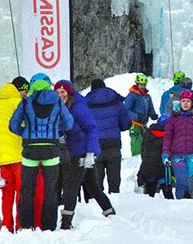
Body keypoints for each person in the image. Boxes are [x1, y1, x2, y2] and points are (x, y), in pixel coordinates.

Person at [9, 73, 72, 231]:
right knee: (51, 189)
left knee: (27, 189)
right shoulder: (57, 100)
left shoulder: (25, 102)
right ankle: (49, 227)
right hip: (51, 147)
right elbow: (69, 123)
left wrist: (26, 131)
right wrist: (54, 128)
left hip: (30, 148)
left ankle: (26, 226)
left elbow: (13, 125)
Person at [54, 80, 115, 229]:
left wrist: (90, 152)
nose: (61, 95)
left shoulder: (78, 107)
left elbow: (92, 128)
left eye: (63, 92)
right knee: (93, 187)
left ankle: (66, 223)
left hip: (81, 153)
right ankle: (111, 213)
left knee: (70, 187)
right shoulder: (62, 108)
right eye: (58, 92)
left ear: (69, 93)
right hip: (74, 151)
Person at [0, 76, 33, 232]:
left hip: (3, 158)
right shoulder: (20, 103)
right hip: (20, 157)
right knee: (21, 192)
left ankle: (7, 226)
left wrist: (0, 144)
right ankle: (20, 225)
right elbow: (26, 126)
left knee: (7, 194)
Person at [85, 78, 130, 194]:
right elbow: (126, 123)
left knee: (97, 178)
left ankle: (98, 204)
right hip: (113, 143)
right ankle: (115, 197)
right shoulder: (116, 100)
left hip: (96, 144)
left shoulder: (86, 103)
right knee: (114, 176)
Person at [163, 90, 193, 199]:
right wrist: (165, 154)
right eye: (183, 101)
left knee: (192, 180)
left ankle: (191, 205)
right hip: (177, 155)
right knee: (181, 180)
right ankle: (180, 203)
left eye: (188, 101)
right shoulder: (173, 118)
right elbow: (167, 138)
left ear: (192, 103)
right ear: (180, 102)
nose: (185, 103)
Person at [137, 117, 173, 199]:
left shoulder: (147, 135)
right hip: (162, 170)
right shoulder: (167, 137)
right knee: (168, 195)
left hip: (147, 169)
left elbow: (142, 152)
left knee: (149, 197)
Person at [124, 74, 158, 156]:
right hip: (134, 124)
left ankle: (143, 159)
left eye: (144, 85)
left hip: (143, 124)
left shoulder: (147, 97)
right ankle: (136, 160)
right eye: (141, 85)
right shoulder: (132, 96)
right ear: (137, 84)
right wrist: (137, 116)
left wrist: (153, 115)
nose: (142, 87)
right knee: (136, 143)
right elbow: (126, 110)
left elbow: (150, 108)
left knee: (145, 143)